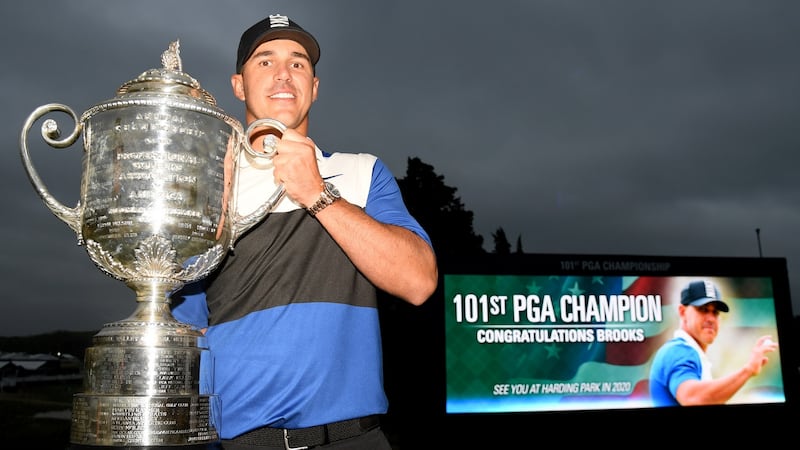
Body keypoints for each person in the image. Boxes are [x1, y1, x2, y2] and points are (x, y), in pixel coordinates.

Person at [171, 13, 438, 449]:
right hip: (242, 443)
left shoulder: (362, 173)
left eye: (297, 63)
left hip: (354, 439)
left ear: (313, 87)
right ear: (238, 85)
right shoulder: (210, 191)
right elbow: (184, 334)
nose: (283, 74)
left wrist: (316, 193)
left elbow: (418, 281)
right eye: (265, 61)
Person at [648, 279, 778, 407]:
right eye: (703, 310)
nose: (711, 319)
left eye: (715, 312)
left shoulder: (695, 352)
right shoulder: (679, 352)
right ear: (683, 312)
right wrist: (748, 371)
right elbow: (693, 399)